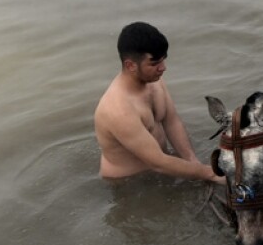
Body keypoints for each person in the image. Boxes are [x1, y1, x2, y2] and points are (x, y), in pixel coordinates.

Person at [94, 22, 221, 182]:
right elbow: (158, 163)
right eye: (154, 63)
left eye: (163, 60)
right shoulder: (117, 109)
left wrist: (192, 160)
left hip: (160, 167)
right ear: (130, 65)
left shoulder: (153, 80)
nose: (163, 68)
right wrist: (210, 173)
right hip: (129, 183)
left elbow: (172, 122)